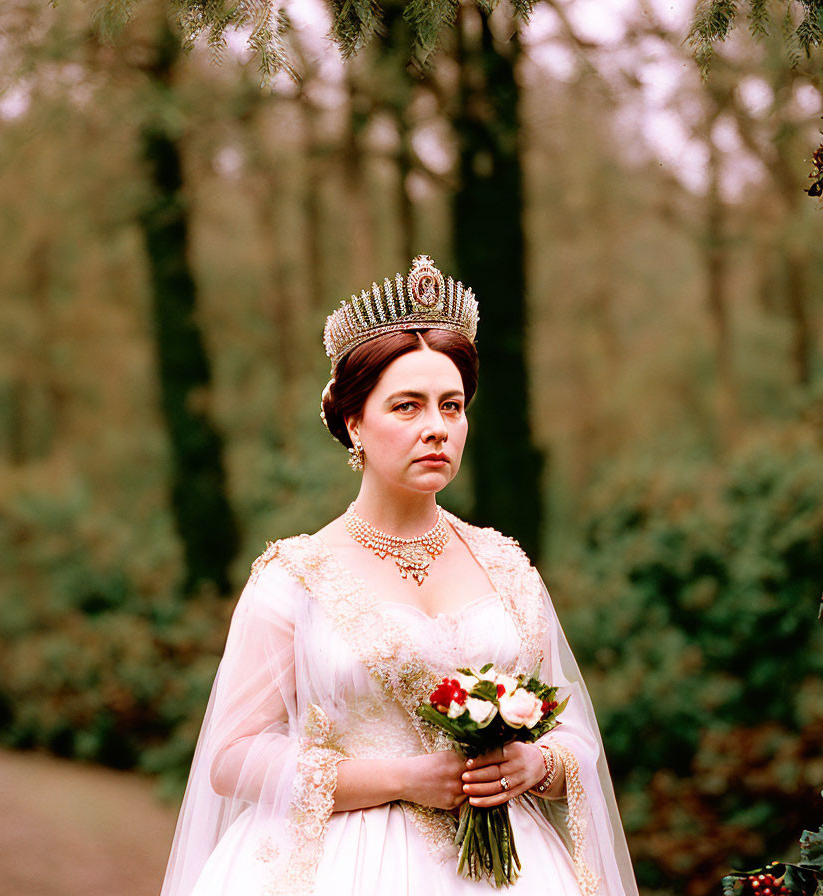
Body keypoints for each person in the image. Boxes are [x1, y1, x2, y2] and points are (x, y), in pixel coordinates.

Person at [160, 257, 639, 896]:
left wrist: (535, 764)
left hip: (511, 868)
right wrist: (404, 779)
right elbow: (233, 756)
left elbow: (575, 733)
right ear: (354, 422)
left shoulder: (506, 566)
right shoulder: (293, 577)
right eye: (407, 407)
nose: (436, 428)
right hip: (342, 866)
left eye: (452, 406)